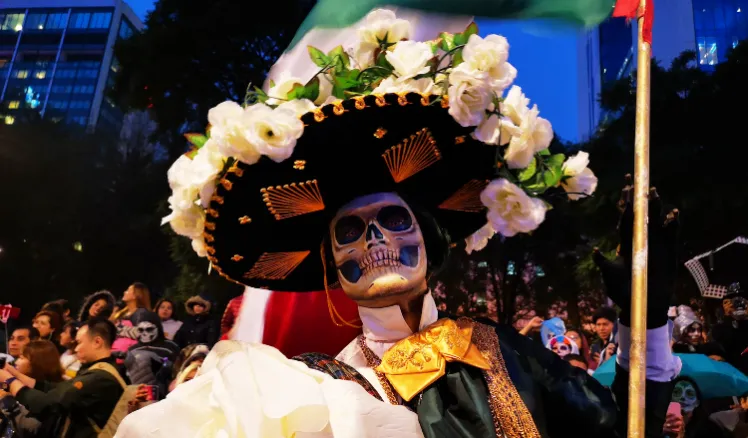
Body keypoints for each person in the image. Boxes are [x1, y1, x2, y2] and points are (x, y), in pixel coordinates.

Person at [119, 9, 680, 438]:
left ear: (429, 239)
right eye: (349, 231)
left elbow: (623, 422)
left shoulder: (503, 350)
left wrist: (647, 313)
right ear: (333, 266)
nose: (376, 239)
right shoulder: (314, 388)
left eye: (393, 218)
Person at [0, 317, 125, 437]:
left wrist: (10, 382)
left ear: (97, 342)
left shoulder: (99, 378)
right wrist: (14, 374)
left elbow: (48, 403)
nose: (76, 349)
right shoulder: (97, 371)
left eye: (79, 342)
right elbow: (57, 388)